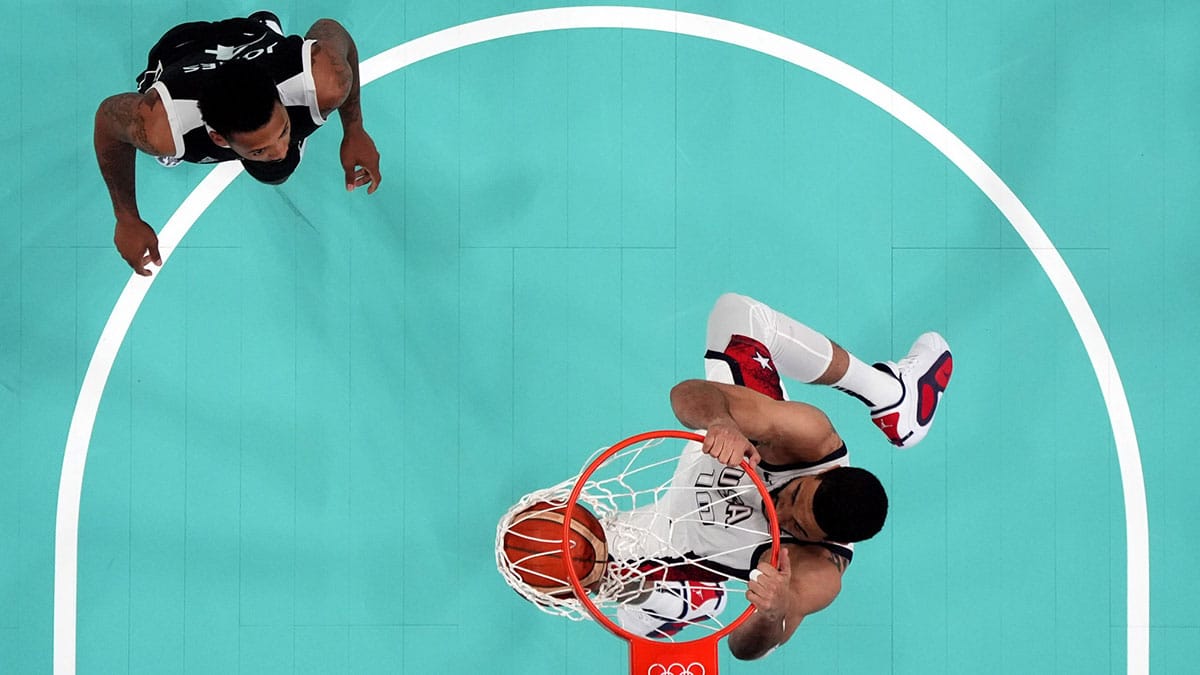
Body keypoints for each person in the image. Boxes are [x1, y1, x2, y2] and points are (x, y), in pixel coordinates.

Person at [620, 292, 953, 660]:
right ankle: (890, 394)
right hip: (723, 445)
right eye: (794, 499)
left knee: (561, 557)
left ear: (822, 541)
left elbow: (742, 648)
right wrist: (722, 422)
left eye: (799, 528)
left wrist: (772, 612)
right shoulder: (809, 439)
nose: (779, 514)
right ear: (821, 475)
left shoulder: (820, 573)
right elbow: (685, 394)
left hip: (677, 539)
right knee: (738, 314)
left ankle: (692, 598)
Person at [93, 11, 382, 276]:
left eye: (283, 131)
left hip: (248, 37)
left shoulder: (327, 81)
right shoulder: (160, 128)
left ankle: (264, 28)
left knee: (278, 170)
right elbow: (108, 121)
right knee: (169, 144)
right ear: (219, 139)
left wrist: (355, 129)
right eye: (259, 149)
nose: (281, 150)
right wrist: (126, 216)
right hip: (178, 51)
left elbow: (331, 29)